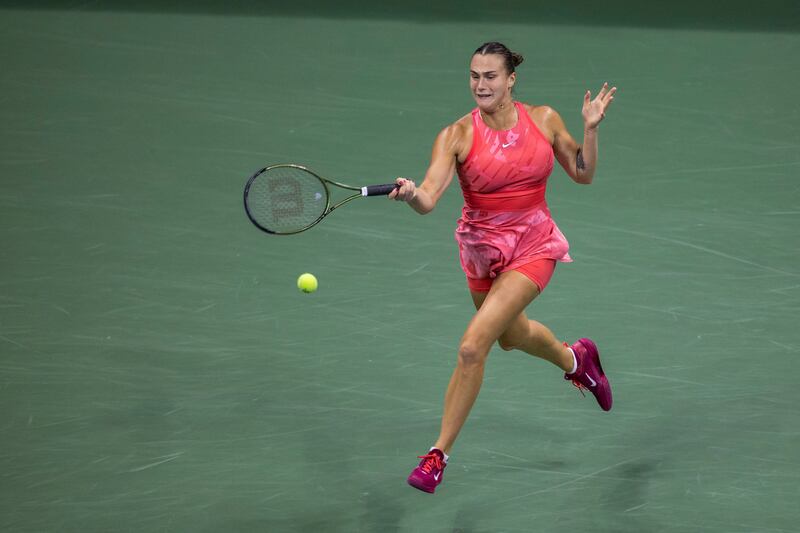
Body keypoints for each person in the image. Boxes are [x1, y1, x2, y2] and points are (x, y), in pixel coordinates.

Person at [388, 42, 617, 494]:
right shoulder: (456, 135)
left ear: (511, 79)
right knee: (512, 337)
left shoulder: (544, 119)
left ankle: (437, 455)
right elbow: (431, 197)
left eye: (490, 76)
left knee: (474, 346)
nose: (480, 84)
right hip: (481, 250)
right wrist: (413, 193)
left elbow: (584, 172)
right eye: (474, 75)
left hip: (534, 242)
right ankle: (578, 360)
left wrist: (590, 129)